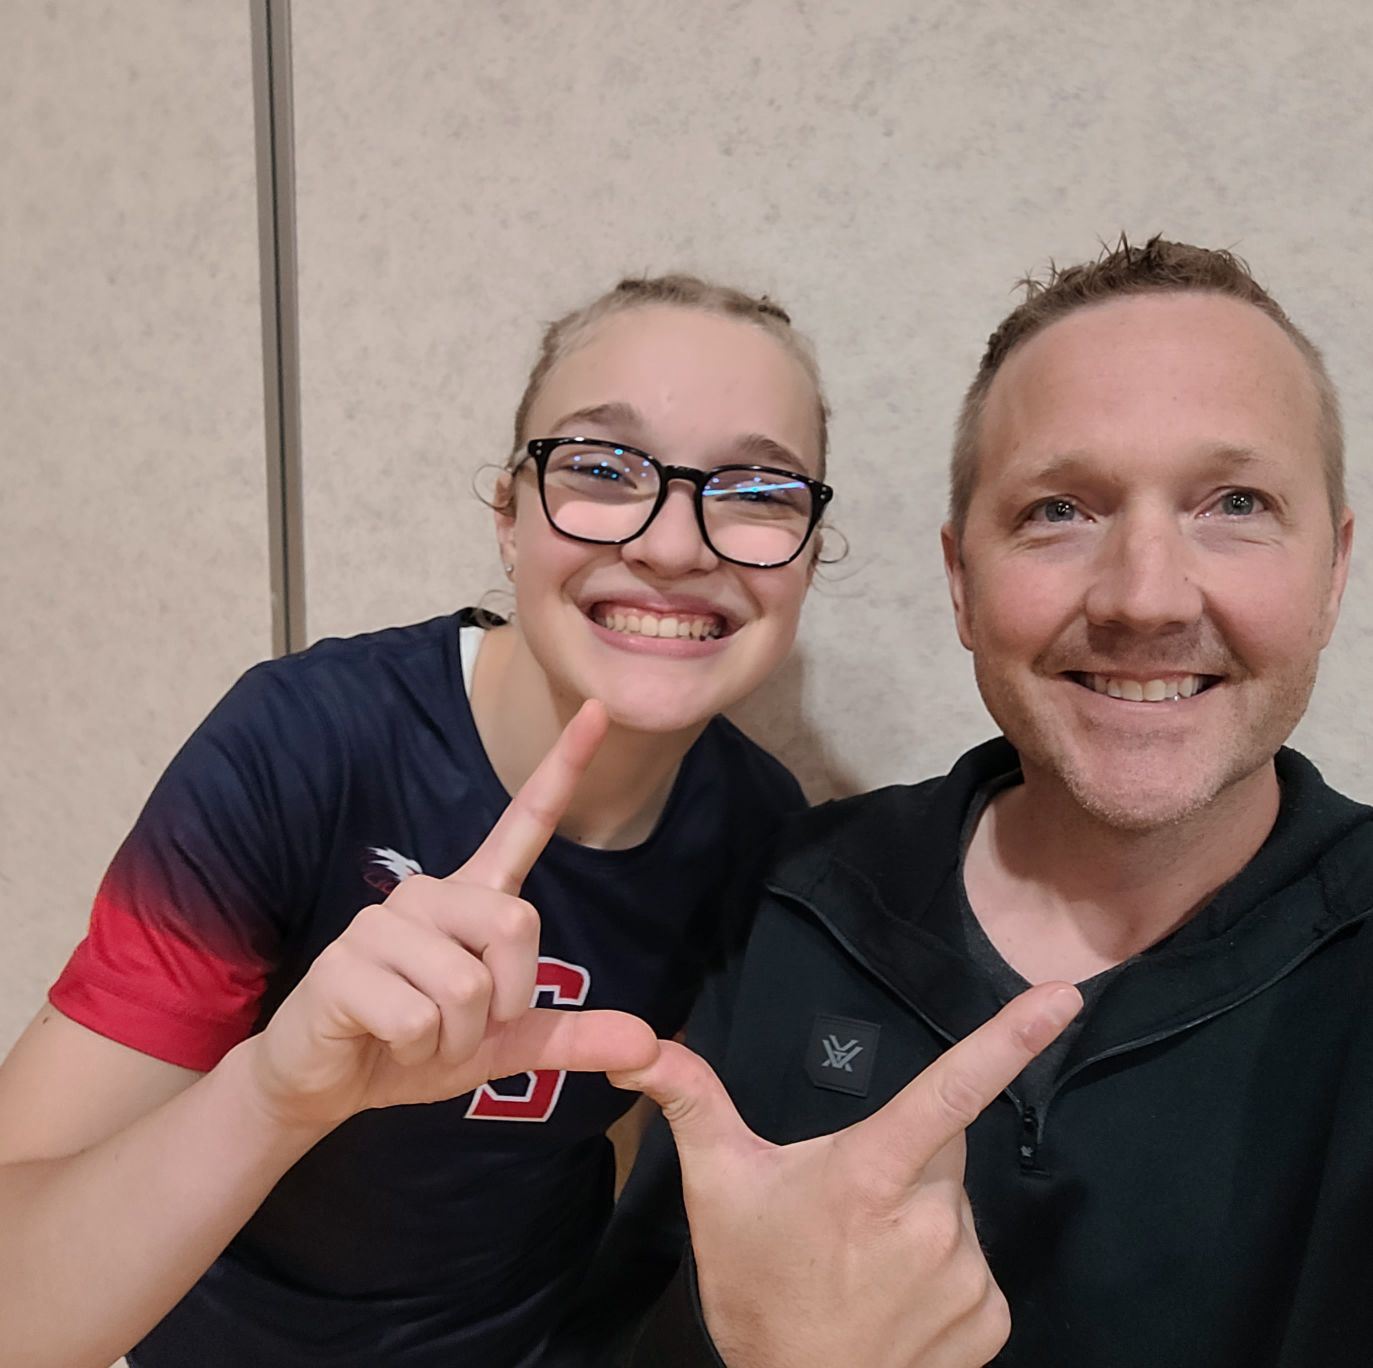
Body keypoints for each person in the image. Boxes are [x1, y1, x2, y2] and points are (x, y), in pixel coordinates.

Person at [0, 274, 841, 1368]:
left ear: (808, 555)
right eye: (600, 468)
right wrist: (275, 1094)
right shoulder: (306, 744)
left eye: (758, 490)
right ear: (508, 517)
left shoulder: (760, 828)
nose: (675, 546)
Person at [596, 238, 1372, 1368]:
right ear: (961, 582)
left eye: (1235, 502)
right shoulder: (789, 900)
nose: (1144, 597)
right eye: (1059, 510)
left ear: (1332, 572)